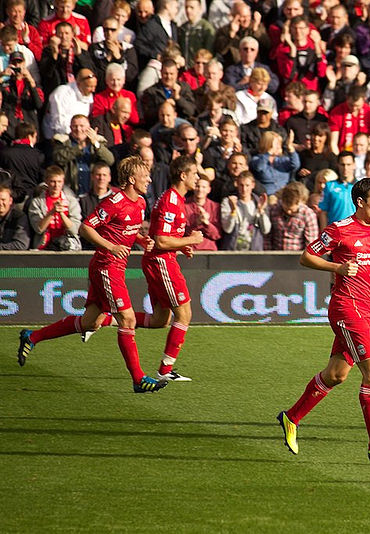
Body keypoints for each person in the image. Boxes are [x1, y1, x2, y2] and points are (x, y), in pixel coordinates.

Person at [277, 177, 370, 463]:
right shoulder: (339, 230)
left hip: (367, 310)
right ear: (360, 202)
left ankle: (291, 417)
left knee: (336, 374)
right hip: (346, 309)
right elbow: (306, 256)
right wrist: (338, 266)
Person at [17, 156, 168, 394]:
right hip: (106, 266)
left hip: (115, 266)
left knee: (90, 322)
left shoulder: (139, 202)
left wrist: (140, 239)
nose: (149, 179)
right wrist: (110, 247)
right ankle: (138, 379)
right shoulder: (115, 201)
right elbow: (85, 228)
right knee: (127, 320)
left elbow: (126, 230)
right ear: (131, 179)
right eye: (145, 175)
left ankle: (32, 336)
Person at [136, 155, 204, 382]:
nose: (198, 177)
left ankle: (107, 318)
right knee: (184, 314)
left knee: (159, 320)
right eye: (194, 173)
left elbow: (165, 236)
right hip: (161, 262)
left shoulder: (174, 199)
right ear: (183, 175)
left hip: (160, 260)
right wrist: (190, 239)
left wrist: (183, 245)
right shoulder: (170, 201)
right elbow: (162, 240)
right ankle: (165, 371)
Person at [28, 166, 82, 250]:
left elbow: (74, 230)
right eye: (53, 181)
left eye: (59, 181)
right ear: (46, 182)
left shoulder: (71, 201)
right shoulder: (37, 202)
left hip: (67, 246)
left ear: (63, 182)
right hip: (44, 246)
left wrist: (62, 214)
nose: (56, 185)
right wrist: (52, 212)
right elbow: (39, 229)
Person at [220, 171, 271, 250]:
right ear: (236, 184)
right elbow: (227, 229)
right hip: (233, 250)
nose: (244, 189)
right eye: (241, 185)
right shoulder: (228, 202)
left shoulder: (259, 202)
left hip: (254, 250)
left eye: (247, 185)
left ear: (253, 185)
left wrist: (261, 210)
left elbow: (266, 230)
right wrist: (233, 211)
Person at [267, 181, 319, 250]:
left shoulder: (308, 215)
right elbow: (267, 236)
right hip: (275, 253)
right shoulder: (273, 210)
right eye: (286, 208)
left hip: (298, 255)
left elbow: (311, 242)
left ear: (301, 203)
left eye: (292, 210)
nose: (289, 212)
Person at [184, 173, 221, 250]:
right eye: (198, 186)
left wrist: (206, 223)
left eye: (204, 187)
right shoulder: (184, 205)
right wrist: (196, 223)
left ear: (209, 189)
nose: (200, 190)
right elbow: (183, 233)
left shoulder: (215, 207)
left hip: (209, 249)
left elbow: (217, 235)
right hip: (190, 249)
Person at [0, 181, 29, 249]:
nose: (0, 203)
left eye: (3, 200)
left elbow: (21, 245)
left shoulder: (20, 217)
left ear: (10, 201)